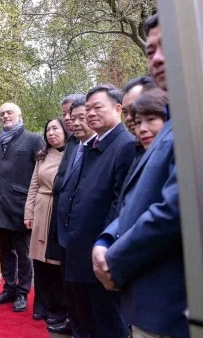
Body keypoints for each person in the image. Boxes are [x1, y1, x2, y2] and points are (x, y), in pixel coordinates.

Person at [93, 15, 188, 337]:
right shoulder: (174, 122)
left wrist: (114, 259)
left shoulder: (195, 121)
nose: (158, 57)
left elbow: (175, 207)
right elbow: (138, 201)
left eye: (168, 46)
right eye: (150, 51)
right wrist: (106, 238)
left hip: (174, 308)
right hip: (148, 304)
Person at [57, 84, 135, 337]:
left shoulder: (125, 145)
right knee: (83, 320)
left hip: (101, 253)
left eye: (96, 108)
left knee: (107, 323)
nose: (90, 114)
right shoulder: (94, 146)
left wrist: (105, 245)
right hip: (78, 250)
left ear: (118, 108)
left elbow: (121, 204)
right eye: (86, 109)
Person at [0, 102, 44, 311]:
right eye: (2, 113)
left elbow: (40, 174)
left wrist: (34, 207)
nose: (5, 116)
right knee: (5, 251)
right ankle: (9, 289)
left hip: (21, 207)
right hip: (0, 205)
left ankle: (22, 292)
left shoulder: (34, 139)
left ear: (20, 115)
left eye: (9, 112)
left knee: (24, 252)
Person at [48, 97, 95, 336]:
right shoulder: (75, 145)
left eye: (77, 116)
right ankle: (74, 324)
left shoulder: (96, 147)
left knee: (87, 294)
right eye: (68, 115)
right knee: (71, 285)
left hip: (87, 232)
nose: (71, 121)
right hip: (66, 225)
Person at [24, 117, 70, 325]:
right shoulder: (42, 155)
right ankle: (40, 305)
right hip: (42, 208)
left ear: (65, 130)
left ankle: (58, 308)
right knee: (39, 260)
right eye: (48, 129)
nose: (51, 133)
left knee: (56, 262)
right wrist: (29, 213)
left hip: (60, 209)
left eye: (55, 128)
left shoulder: (74, 153)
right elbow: (34, 185)